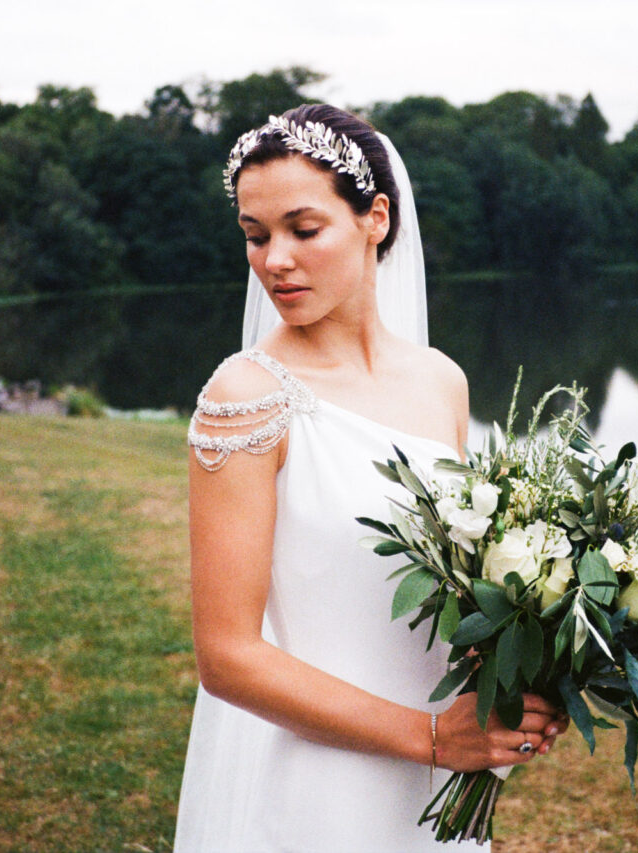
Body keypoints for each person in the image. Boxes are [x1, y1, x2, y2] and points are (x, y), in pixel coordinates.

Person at [174, 104, 566, 853]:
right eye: (255, 236)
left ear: (375, 218)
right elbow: (227, 657)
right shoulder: (245, 397)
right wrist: (427, 737)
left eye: (302, 228)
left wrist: (518, 667)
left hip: (435, 776)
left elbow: (457, 584)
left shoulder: (441, 382)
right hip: (317, 780)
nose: (274, 260)